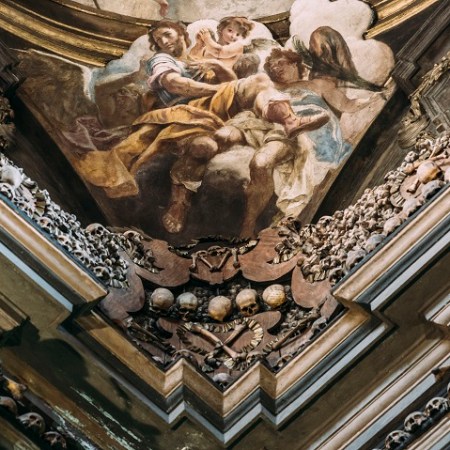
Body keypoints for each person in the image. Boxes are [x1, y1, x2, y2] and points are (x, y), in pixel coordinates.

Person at [74, 21, 327, 234]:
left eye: (167, 34)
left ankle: (290, 120)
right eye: (159, 39)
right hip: (187, 112)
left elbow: (233, 83)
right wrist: (218, 88)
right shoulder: (162, 59)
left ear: (181, 33)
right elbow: (175, 85)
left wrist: (217, 67)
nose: (164, 42)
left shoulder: (197, 57)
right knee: (203, 146)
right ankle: (179, 201)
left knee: (260, 82)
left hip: (217, 111)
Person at [189, 16, 254, 72]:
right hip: (202, 77)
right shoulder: (210, 46)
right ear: (221, 29)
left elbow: (218, 51)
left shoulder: (238, 46)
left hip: (223, 79)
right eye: (230, 31)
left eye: (238, 34)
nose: (233, 36)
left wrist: (206, 38)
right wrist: (199, 44)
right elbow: (192, 57)